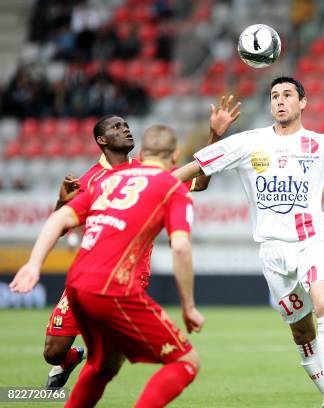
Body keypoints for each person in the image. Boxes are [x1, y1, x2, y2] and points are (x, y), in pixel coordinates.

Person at [173, 76, 324, 408]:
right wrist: (149, 183)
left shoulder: (319, 144)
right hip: (273, 252)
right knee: (302, 333)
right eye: (274, 96)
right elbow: (196, 173)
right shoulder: (249, 142)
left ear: (303, 103)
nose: (280, 101)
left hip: (311, 242)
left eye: (288, 95)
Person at [42, 97, 240, 389]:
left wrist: (215, 137)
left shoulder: (151, 171)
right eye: (117, 127)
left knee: (106, 358)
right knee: (53, 352)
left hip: (128, 278)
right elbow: (59, 226)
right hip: (87, 275)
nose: (126, 129)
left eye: (126, 124)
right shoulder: (89, 180)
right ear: (102, 139)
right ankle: (70, 359)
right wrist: (61, 201)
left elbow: (200, 181)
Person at [10, 126, 203, 407]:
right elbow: (182, 246)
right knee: (185, 361)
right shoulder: (170, 186)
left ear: (142, 153)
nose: (123, 129)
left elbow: (58, 219)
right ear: (175, 155)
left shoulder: (110, 182)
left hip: (78, 282)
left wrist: (33, 264)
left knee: (104, 364)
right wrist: (188, 306)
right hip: (114, 286)